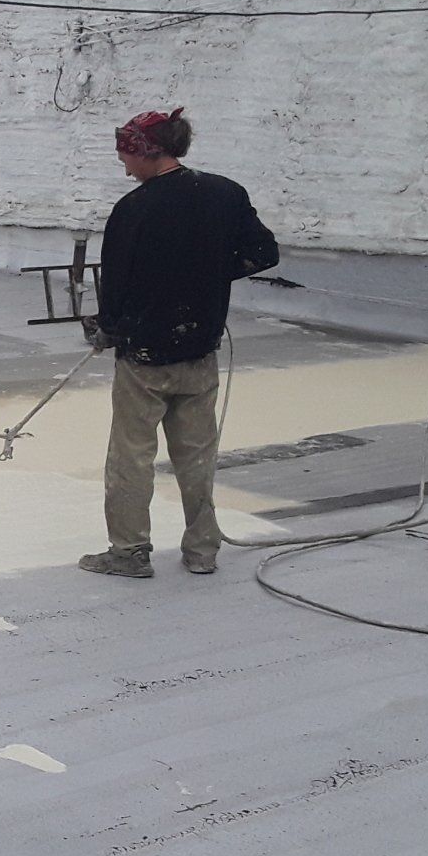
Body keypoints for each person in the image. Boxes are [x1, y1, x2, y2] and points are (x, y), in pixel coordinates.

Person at [79, 107, 279, 580]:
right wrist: (208, 275)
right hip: (200, 348)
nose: (123, 166)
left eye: (126, 155)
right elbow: (263, 253)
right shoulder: (225, 193)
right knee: (197, 454)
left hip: (145, 357)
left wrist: (108, 328)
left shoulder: (134, 209)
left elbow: (117, 287)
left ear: (147, 153)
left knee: (132, 454)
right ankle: (202, 552)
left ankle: (128, 553)